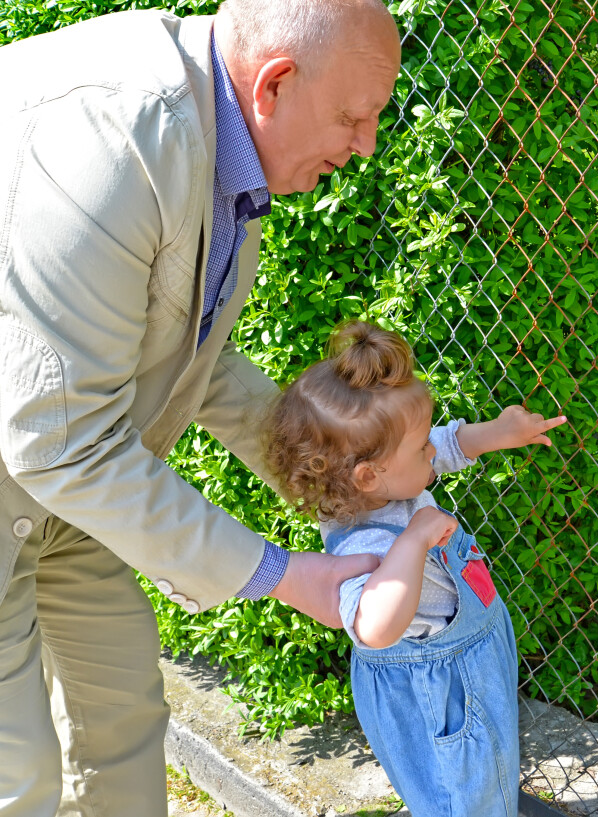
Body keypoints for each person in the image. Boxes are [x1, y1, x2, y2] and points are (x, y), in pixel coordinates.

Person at [0, 1, 401, 814]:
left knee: (122, 727)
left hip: (75, 485)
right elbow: (56, 444)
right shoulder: (121, 145)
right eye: (353, 118)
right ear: (276, 84)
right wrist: (288, 576)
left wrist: (338, 476)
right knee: (18, 777)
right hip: (55, 456)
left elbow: (192, 359)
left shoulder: (223, 152)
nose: (364, 146)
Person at [262, 321, 567, 817]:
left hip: (470, 661)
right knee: (465, 799)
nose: (434, 450)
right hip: (440, 691)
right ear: (368, 474)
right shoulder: (365, 542)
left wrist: (498, 433)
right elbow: (374, 627)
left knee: (490, 781)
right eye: (421, 445)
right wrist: (415, 539)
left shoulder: (384, 482)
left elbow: (443, 448)